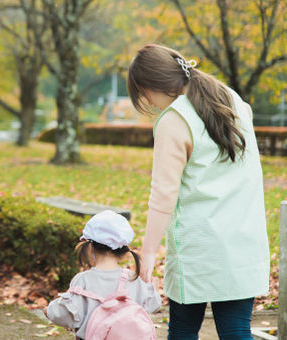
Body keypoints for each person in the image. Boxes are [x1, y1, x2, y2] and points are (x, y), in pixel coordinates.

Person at [127, 44, 270, 340]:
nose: (147, 102)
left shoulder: (174, 120)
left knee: (182, 331)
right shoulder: (234, 101)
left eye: (142, 94)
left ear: (149, 86)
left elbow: (163, 194)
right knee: (236, 331)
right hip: (244, 243)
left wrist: (149, 252)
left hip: (199, 249)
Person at [46, 210, 161, 340]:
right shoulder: (133, 278)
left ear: (90, 248)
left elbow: (65, 315)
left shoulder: (83, 280)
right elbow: (153, 304)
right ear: (124, 251)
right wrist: (153, 288)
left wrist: (49, 310)